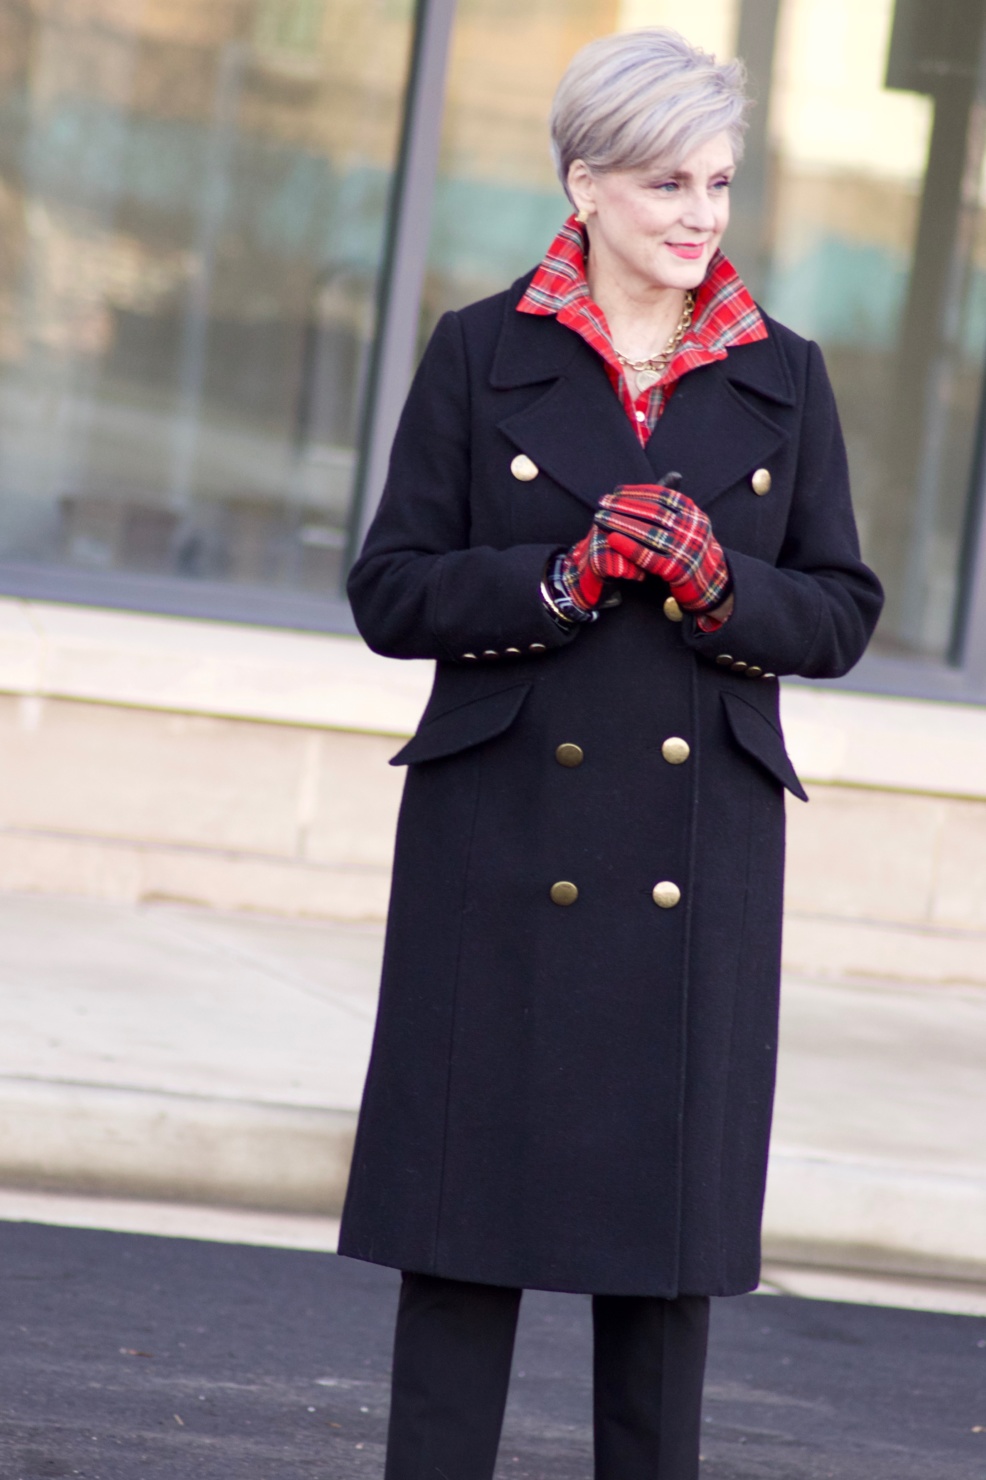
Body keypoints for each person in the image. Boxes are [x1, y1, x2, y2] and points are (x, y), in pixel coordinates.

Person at [339, 26, 884, 1480]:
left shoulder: (781, 375)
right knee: (460, 1248)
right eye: (663, 184)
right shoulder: (479, 352)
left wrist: (720, 585)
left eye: (716, 181)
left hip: (692, 860)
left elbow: (838, 613)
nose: (699, 216)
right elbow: (389, 590)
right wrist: (560, 580)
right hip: (497, 850)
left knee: (661, 1278)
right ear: (583, 184)